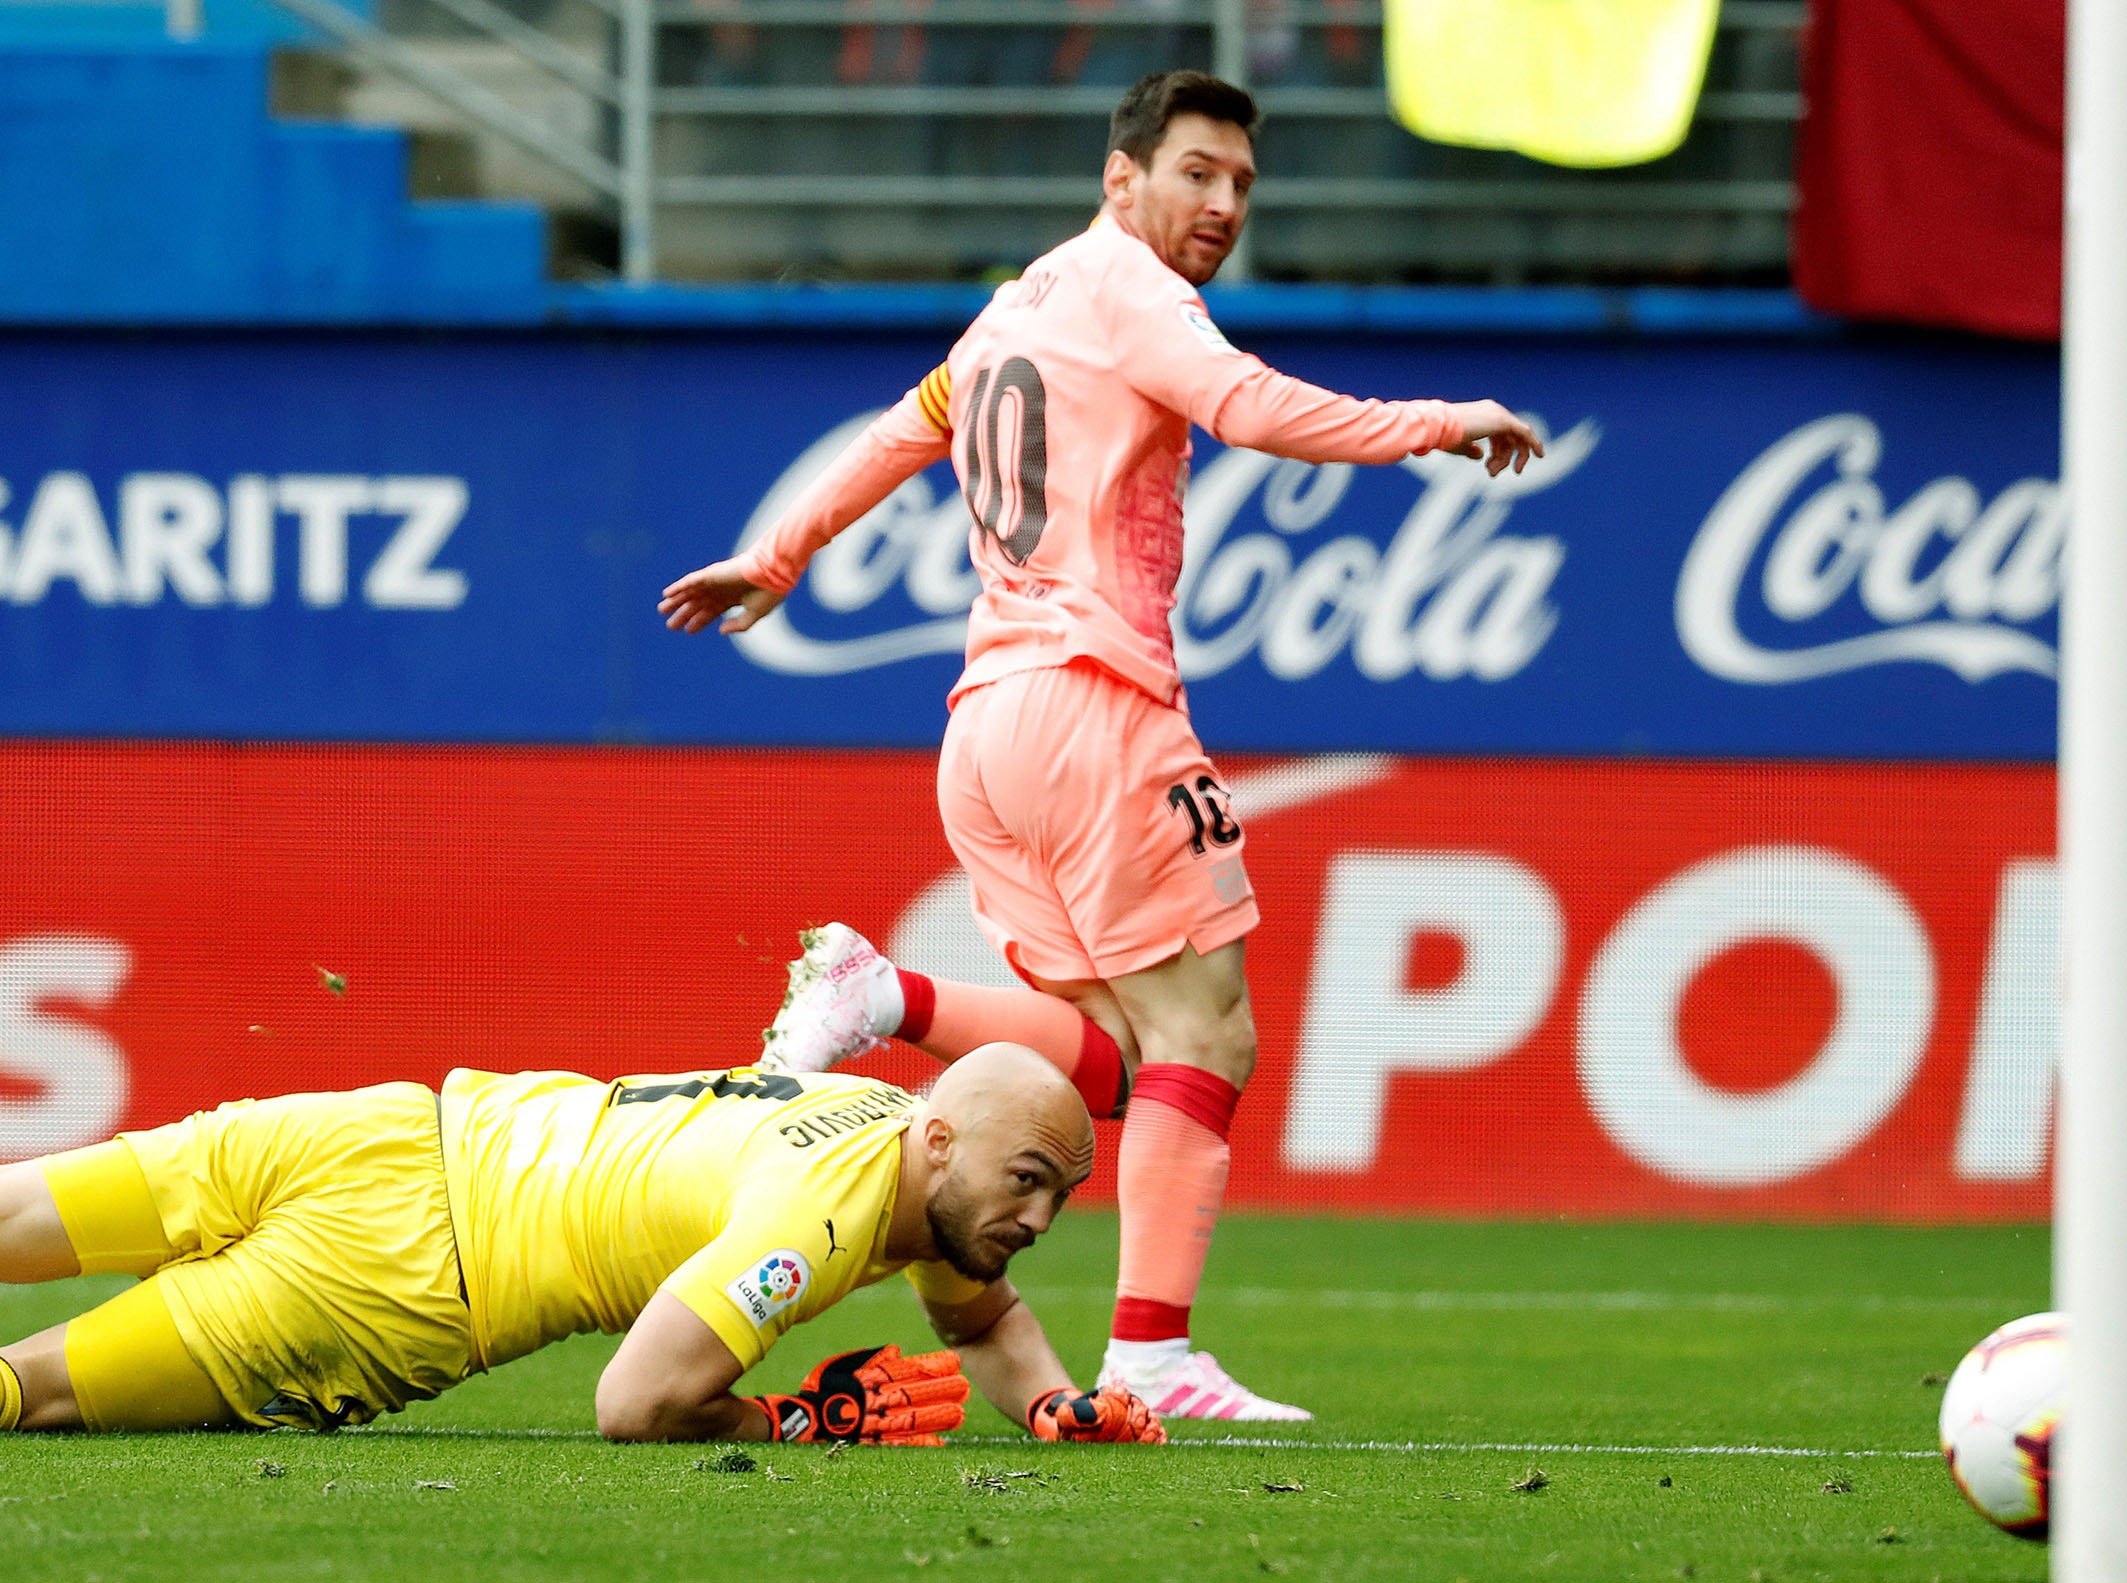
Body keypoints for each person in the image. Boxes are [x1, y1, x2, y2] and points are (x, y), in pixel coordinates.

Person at [659, 68, 1542, 1422]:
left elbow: (909, 426)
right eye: (1197, 171)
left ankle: (884, 994)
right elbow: (1243, 406)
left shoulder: (1023, 302)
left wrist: (774, 554)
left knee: (1124, 1060)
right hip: (1094, 705)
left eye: (1241, 182)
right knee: (1215, 1029)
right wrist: (1440, 420)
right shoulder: (1136, 292)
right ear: (1121, 177)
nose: (1223, 202)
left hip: (987, 732)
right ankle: (1152, 1355)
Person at [0, 1042, 1163, 1448]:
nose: (1039, 1222)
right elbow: (637, 1400)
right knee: (28, 1393)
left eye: (1058, 1194)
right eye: (1027, 1183)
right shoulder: (815, 1218)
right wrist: (803, 1417)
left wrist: (1055, 1401)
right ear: (947, 1140)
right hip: (398, 1284)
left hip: (388, 1125)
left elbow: (984, 1314)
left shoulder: (901, 1134)